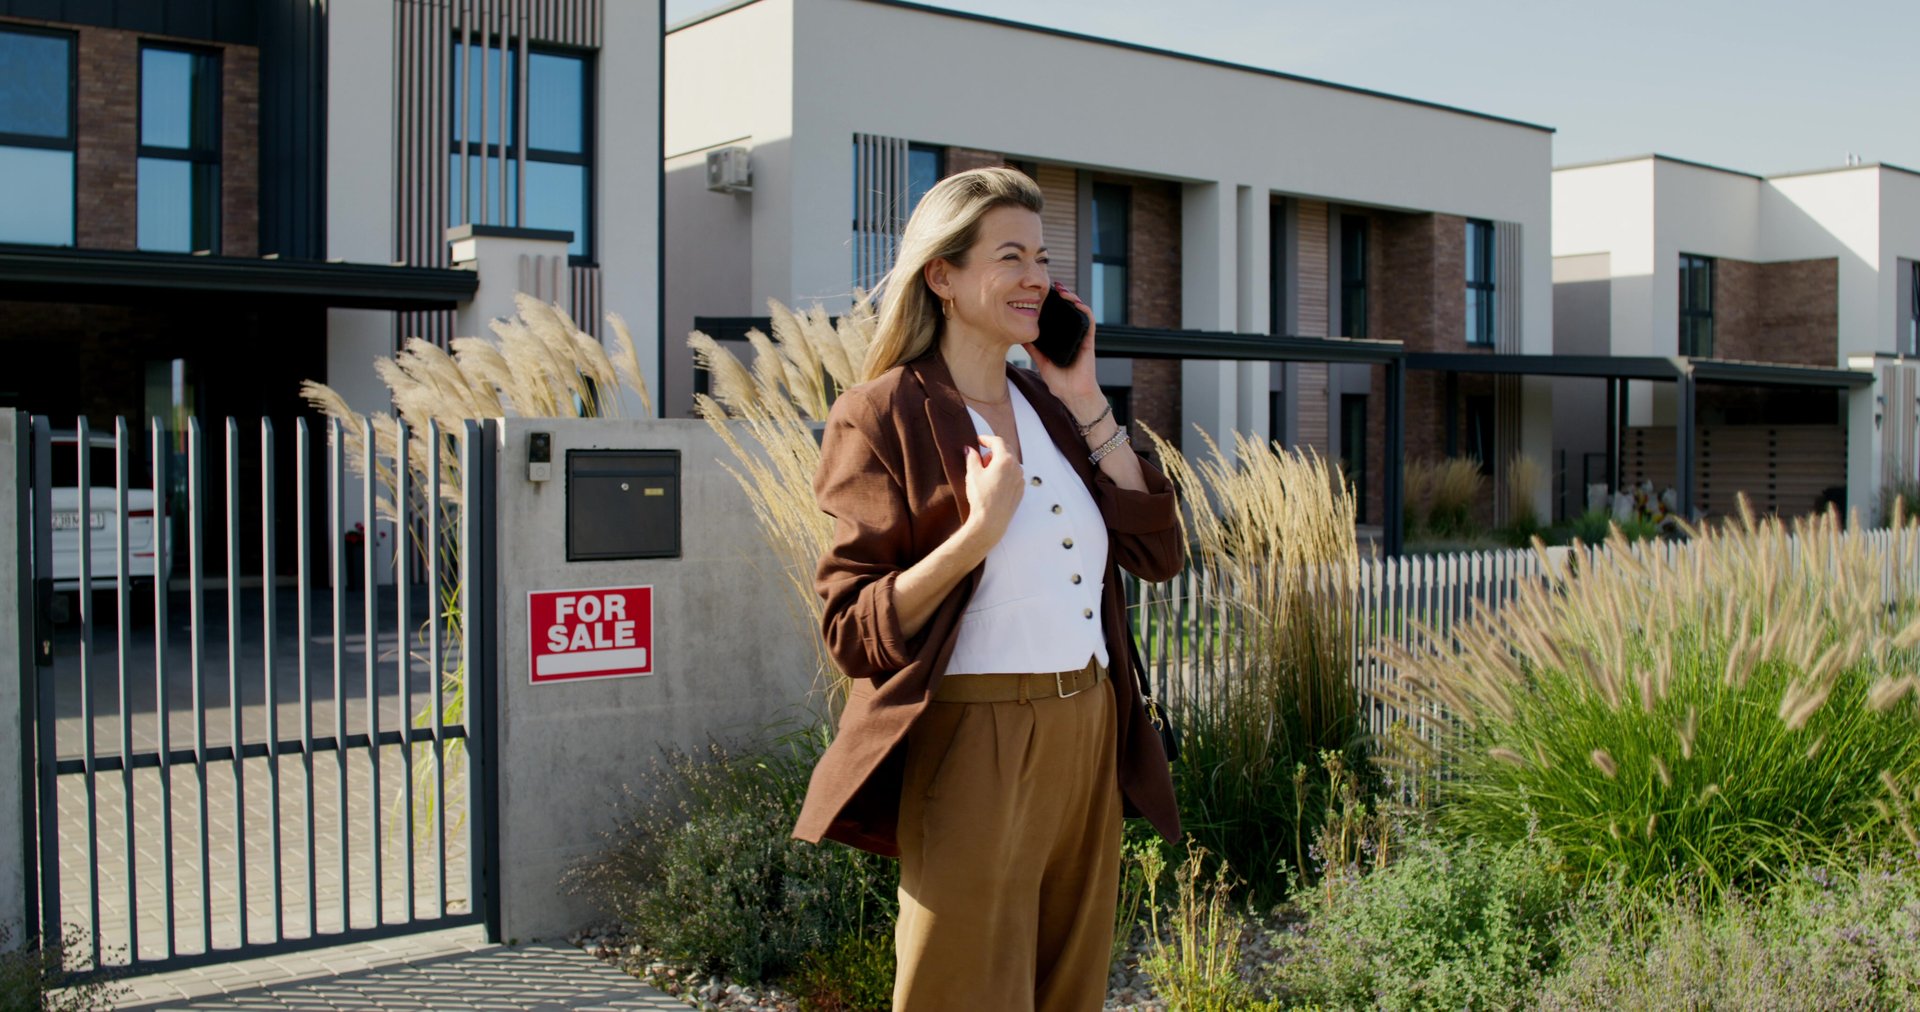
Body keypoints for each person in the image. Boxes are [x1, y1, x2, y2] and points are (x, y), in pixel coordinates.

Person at [792, 166, 1184, 1012]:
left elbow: (1159, 555)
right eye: (1011, 256)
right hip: (974, 738)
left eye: (1043, 257)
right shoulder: (882, 412)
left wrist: (1084, 396)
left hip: (1090, 725)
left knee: (1069, 987)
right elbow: (852, 631)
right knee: (959, 989)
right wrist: (976, 536)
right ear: (943, 274)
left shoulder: (1048, 406)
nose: (1038, 277)